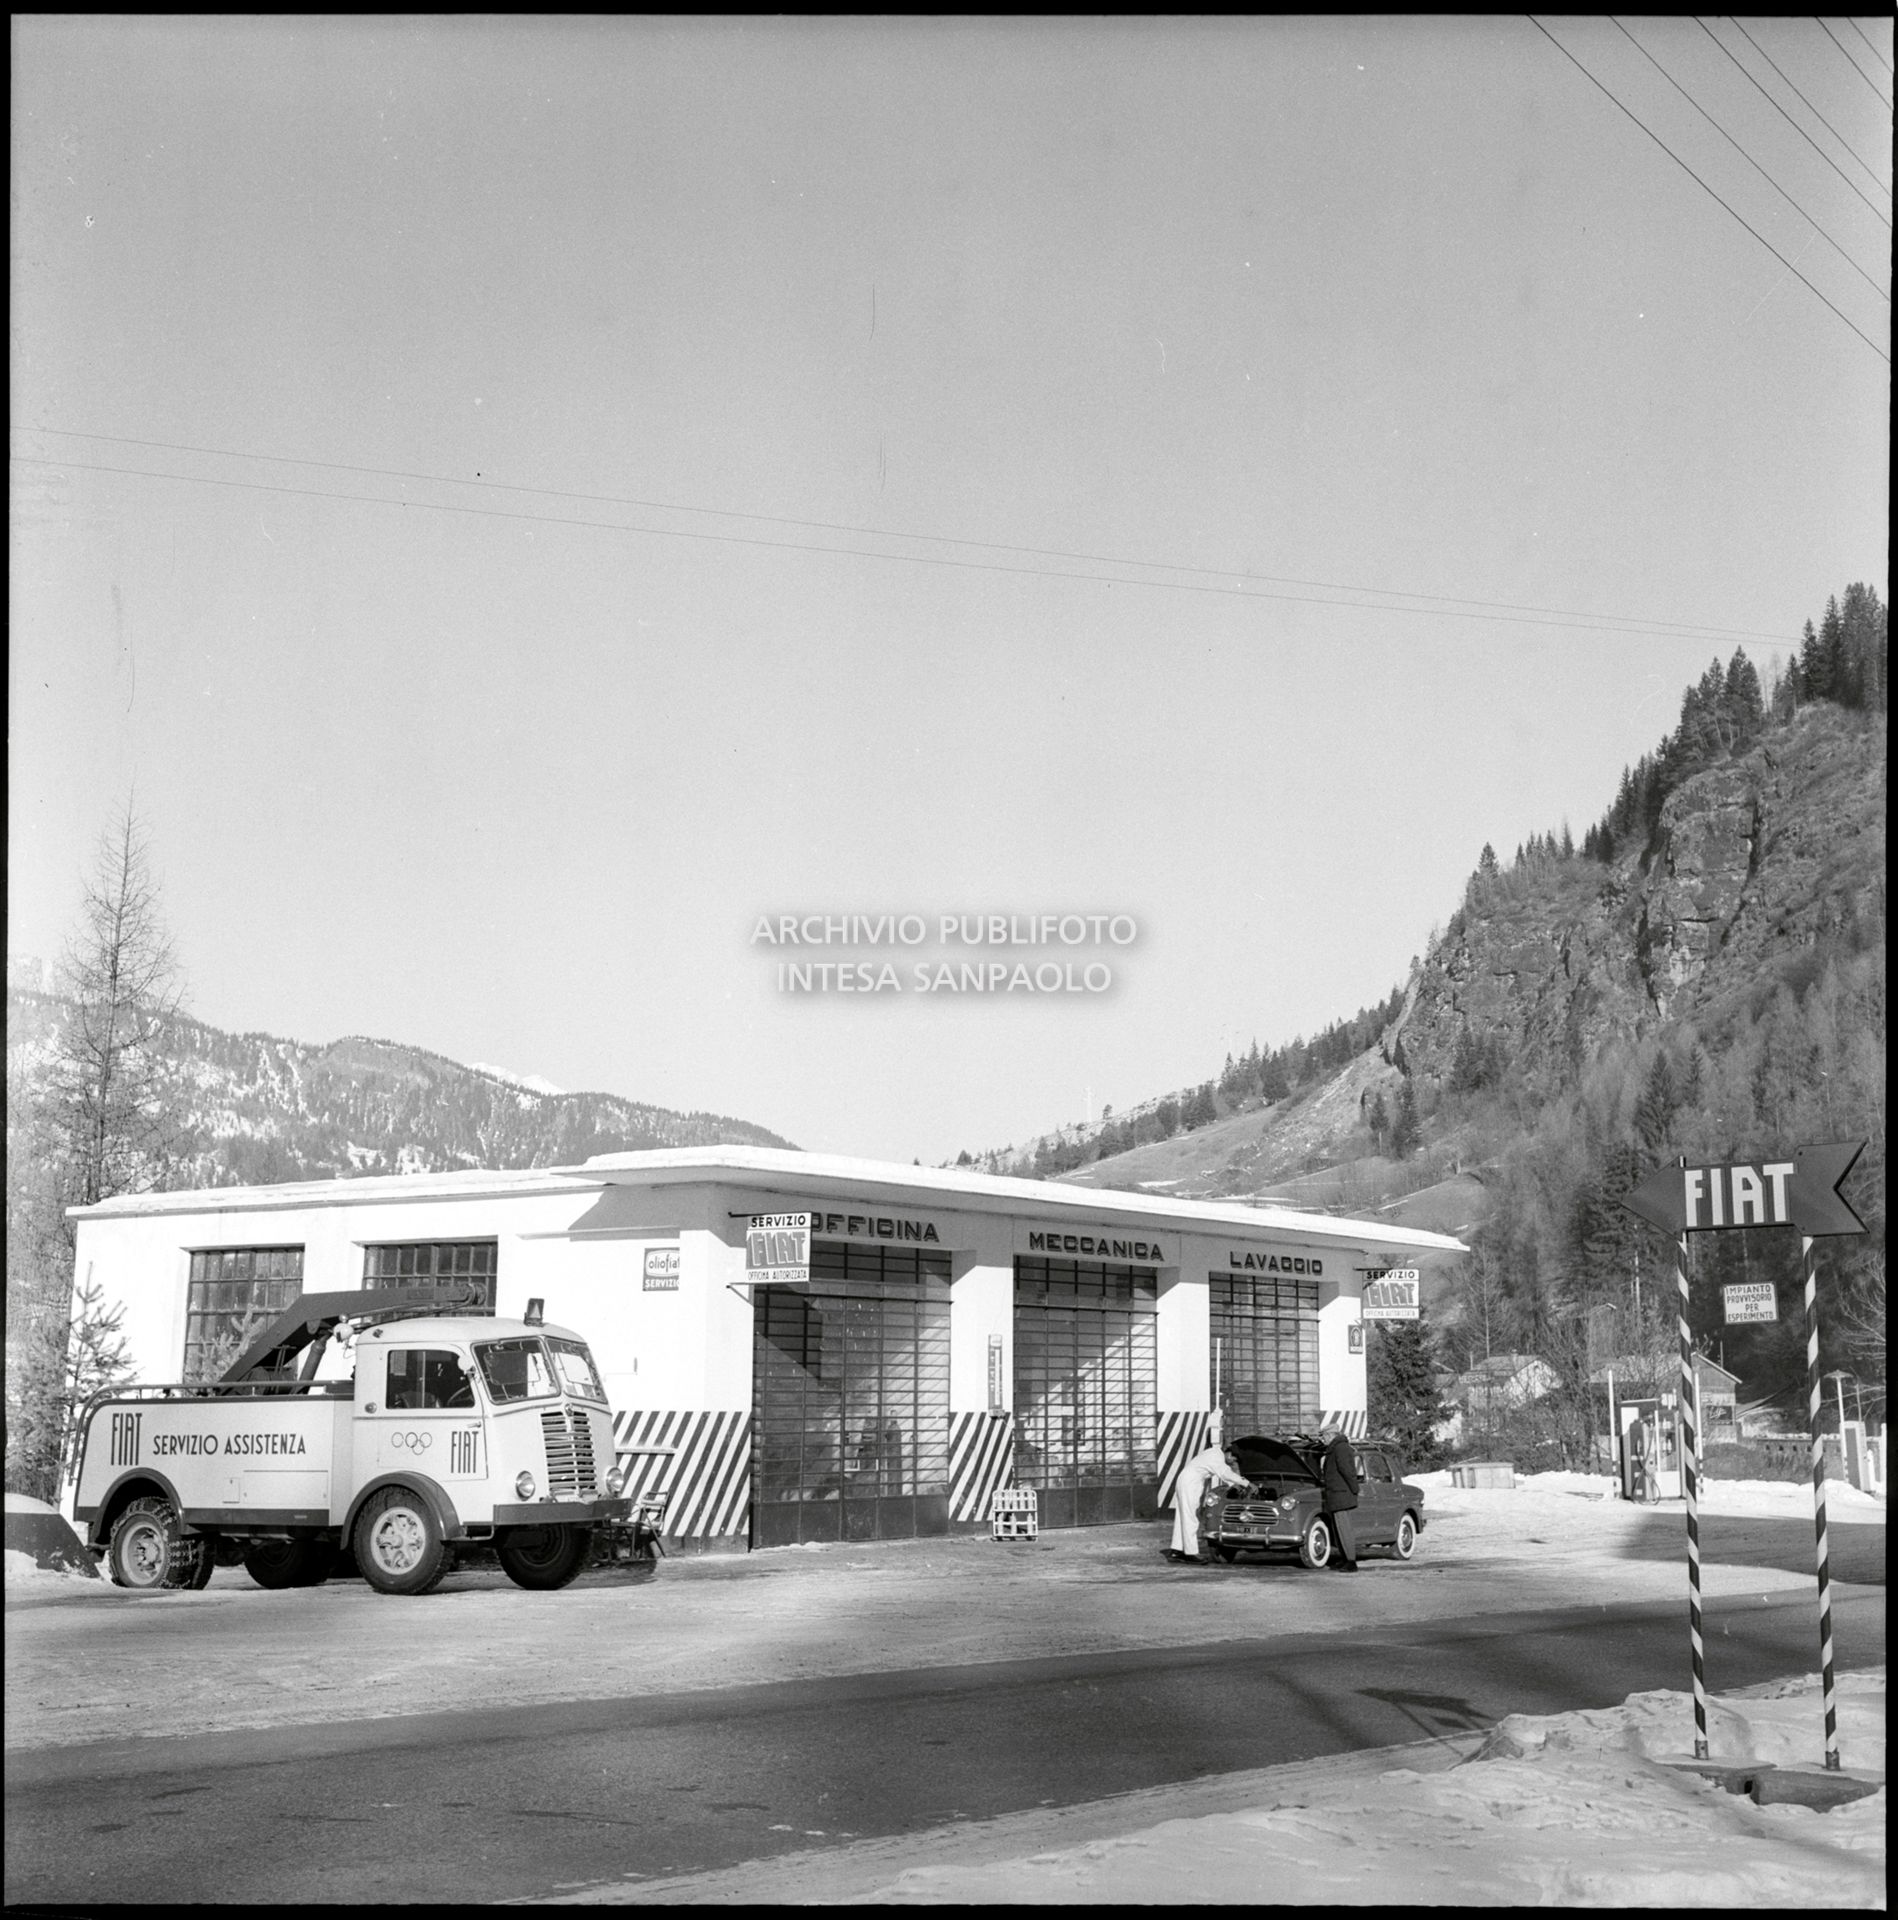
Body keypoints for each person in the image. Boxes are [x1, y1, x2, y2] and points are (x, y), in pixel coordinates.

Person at [1168, 1441, 1248, 1563]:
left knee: (1182, 1516)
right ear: (1228, 1452)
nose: (1232, 1460)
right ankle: (1191, 1553)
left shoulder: (1213, 1452)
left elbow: (1224, 1472)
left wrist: (1236, 1482)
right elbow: (1225, 1473)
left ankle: (1176, 1551)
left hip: (1185, 1480)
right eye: (1233, 1457)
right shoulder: (1217, 1458)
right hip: (1191, 1483)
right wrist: (1246, 1483)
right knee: (1191, 1518)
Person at [1318, 1421, 1361, 1571]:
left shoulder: (1340, 1448)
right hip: (1337, 1494)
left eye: (1324, 1436)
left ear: (1331, 1435)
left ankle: (1351, 1561)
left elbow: (1347, 1471)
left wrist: (1354, 1489)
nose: (1323, 1439)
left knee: (1344, 1529)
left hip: (1341, 1494)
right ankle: (1345, 1559)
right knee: (1338, 1529)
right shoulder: (1336, 1448)